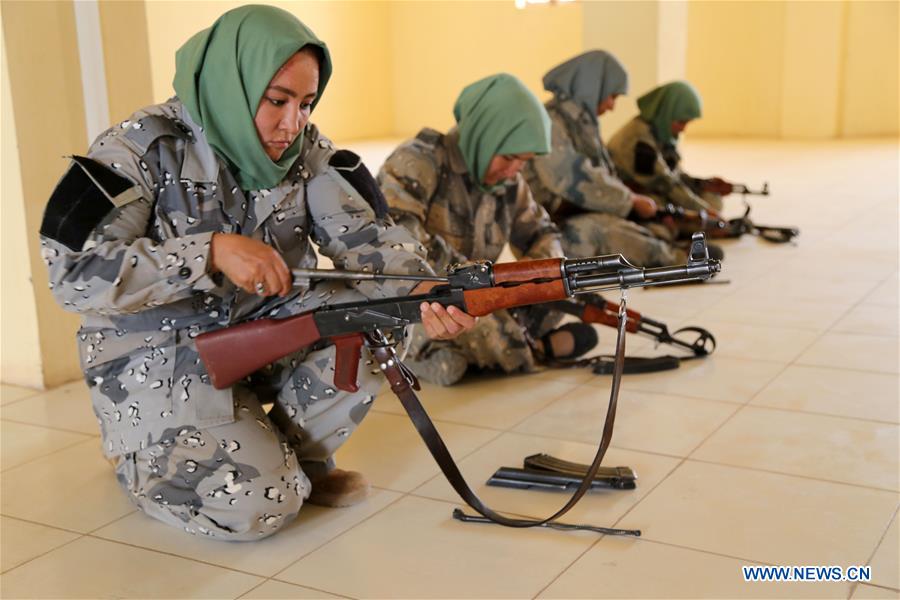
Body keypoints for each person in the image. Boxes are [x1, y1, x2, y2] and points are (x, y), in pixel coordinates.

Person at [38, 5, 474, 541]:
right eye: (278, 100)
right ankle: (148, 465)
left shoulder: (304, 149)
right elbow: (73, 274)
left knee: (383, 314)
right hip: (160, 358)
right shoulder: (139, 148)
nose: (292, 123)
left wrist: (428, 290)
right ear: (234, 79)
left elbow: (368, 240)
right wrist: (209, 252)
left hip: (260, 329)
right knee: (260, 510)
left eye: (306, 103)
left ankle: (294, 462)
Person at [378, 73, 598, 387]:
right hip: (421, 296)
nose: (513, 171)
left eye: (523, 162)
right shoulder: (417, 161)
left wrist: (536, 278)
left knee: (565, 289)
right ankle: (530, 347)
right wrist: (486, 288)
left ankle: (513, 342)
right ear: (483, 135)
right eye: (508, 157)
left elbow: (542, 232)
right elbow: (399, 245)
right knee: (450, 365)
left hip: (479, 296)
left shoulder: (509, 182)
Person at [523, 50, 687, 267]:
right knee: (604, 231)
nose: (612, 106)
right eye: (612, 96)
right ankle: (673, 259)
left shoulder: (582, 123)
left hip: (578, 213)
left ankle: (664, 247)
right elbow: (572, 178)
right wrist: (629, 200)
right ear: (592, 88)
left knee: (649, 222)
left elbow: (604, 174)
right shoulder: (551, 123)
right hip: (546, 230)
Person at [607, 80, 733, 214]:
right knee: (670, 213)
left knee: (711, 198)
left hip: (654, 187)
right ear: (667, 113)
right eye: (681, 122)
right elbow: (666, 183)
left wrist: (703, 184)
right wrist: (705, 211)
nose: (683, 129)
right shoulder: (639, 140)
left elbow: (674, 174)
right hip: (633, 195)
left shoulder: (657, 130)